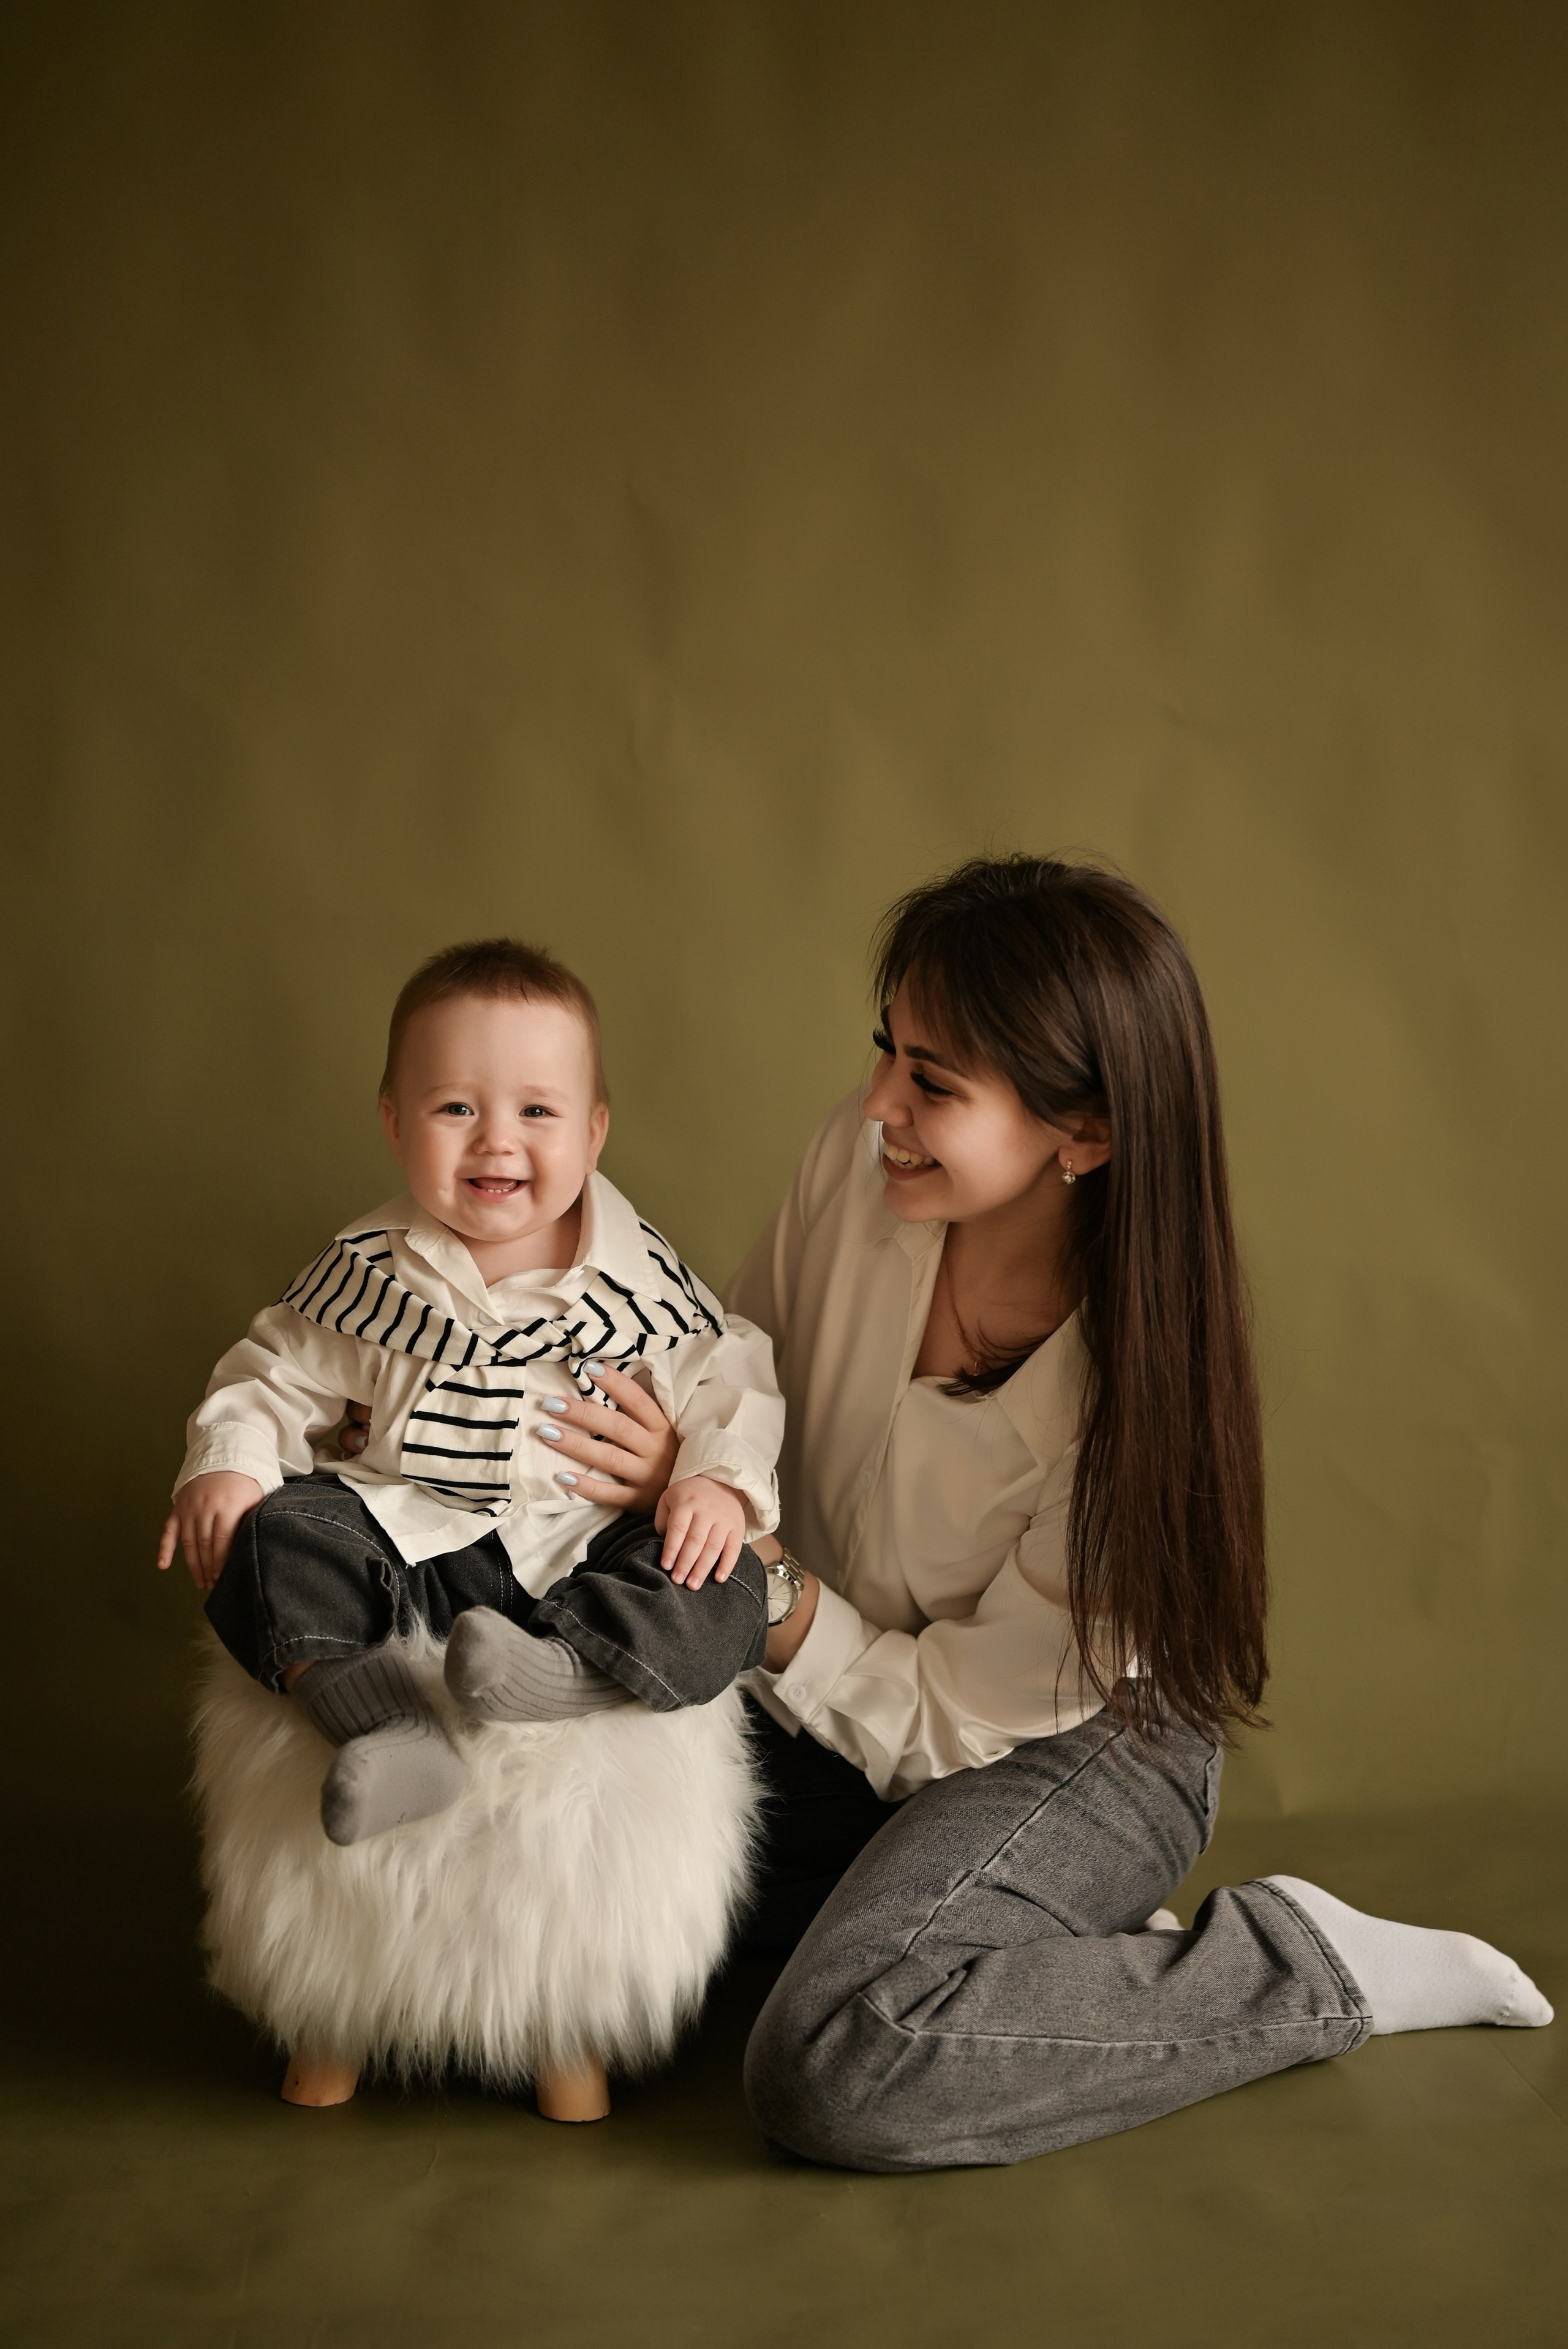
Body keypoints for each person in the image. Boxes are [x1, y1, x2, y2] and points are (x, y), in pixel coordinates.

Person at [454, 854, 1551, 2173]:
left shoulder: (1131, 1399)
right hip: (814, 1690)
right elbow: (728, 1374)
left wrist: (767, 1589)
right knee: (549, 1908)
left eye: (932, 1082)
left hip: (1063, 1744)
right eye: (885, 1052)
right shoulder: (852, 1169)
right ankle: (1036, 1941)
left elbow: (950, 1721)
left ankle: (1301, 1967)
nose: (877, 1105)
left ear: (1081, 1134)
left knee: (838, 2060)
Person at [159, 938, 785, 1849]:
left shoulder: (638, 1276)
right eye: (456, 1107)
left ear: (594, 1131)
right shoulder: (368, 1271)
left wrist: (714, 1480)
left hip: (584, 1548)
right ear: (394, 1122)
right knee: (273, 1541)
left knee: (726, 1581)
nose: (497, 1139)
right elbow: (276, 1369)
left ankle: (564, 1674)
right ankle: (389, 1725)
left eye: (537, 1109)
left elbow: (731, 1374)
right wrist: (232, 1463)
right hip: (411, 1543)